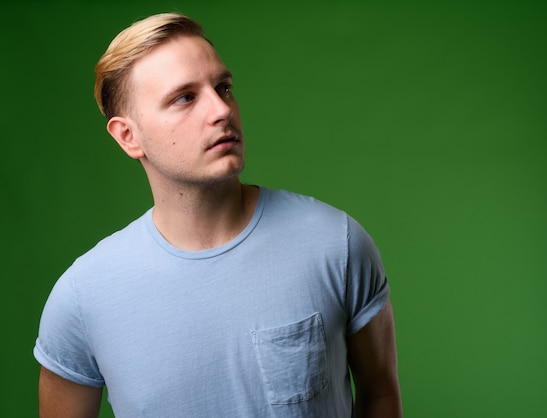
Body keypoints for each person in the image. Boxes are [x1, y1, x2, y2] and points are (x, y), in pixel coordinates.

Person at [34, 12, 401, 418]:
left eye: (223, 87)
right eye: (185, 97)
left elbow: (381, 395)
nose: (221, 110)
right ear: (128, 136)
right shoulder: (83, 298)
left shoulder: (336, 243)